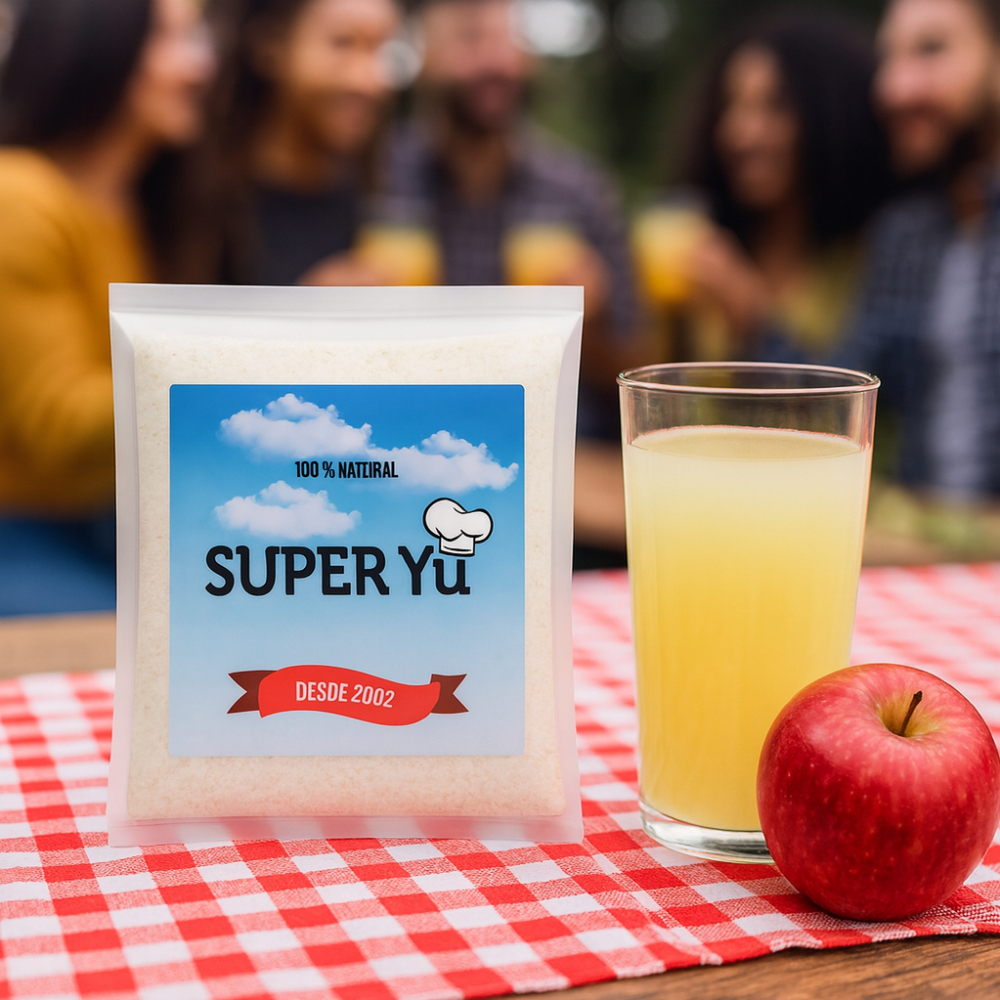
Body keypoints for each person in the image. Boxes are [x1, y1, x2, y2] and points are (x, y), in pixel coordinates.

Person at [0, 0, 213, 615]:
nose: (200, 66)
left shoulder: (135, 205)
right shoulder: (20, 195)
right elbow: (60, 429)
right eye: (172, 40)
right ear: (98, 45)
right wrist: (241, 361)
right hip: (27, 532)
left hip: (113, 525)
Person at [381, 0, 643, 442]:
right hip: (414, 437)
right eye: (470, 38)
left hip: (556, 444)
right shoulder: (380, 179)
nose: (495, 60)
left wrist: (591, 325)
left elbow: (634, 368)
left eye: (507, 40)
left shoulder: (580, 190)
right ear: (424, 58)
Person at [634, 9, 892, 363]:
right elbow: (649, 377)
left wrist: (754, 322)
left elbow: (859, 397)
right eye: (731, 105)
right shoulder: (701, 239)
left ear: (829, 115)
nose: (742, 133)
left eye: (775, 106)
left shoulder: (877, 252)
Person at [836, 0, 1000, 500]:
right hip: (926, 556)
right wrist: (750, 311)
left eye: (931, 49)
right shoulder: (903, 234)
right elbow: (839, 400)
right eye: (890, 58)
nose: (893, 88)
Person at [190, 0, 400, 285]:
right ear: (270, 45)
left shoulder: (368, 194)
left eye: (381, 49)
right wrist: (301, 316)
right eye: (342, 43)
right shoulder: (193, 195)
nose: (371, 79)